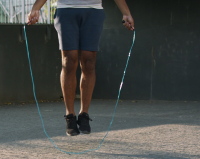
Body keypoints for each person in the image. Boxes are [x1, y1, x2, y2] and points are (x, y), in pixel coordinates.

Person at [28, 0, 134, 136]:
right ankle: (70, 116)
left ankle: (84, 114)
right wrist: (35, 8)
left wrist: (126, 13)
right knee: (69, 60)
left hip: (93, 11)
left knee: (89, 61)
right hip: (66, 10)